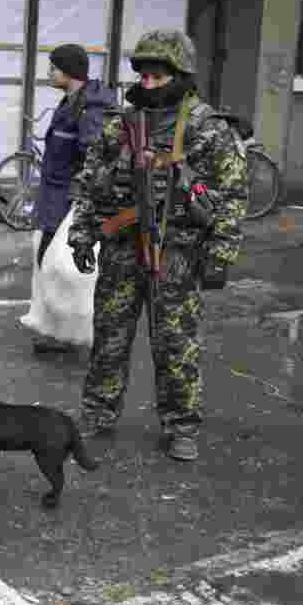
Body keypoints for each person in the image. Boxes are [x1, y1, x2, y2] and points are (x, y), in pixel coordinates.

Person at [67, 29, 248, 461]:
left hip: (179, 255)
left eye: (159, 76)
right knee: (109, 338)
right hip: (121, 250)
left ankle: (181, 425)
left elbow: (233, 194)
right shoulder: (120, 124)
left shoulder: (208, 128)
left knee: (175, 344)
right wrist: (82, 235)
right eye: (143, 76)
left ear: (180, 75)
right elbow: (90, 184)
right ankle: (98, 414)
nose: (148, 84)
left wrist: (221, 255)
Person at [22, 44, 115, 354]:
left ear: (70, 71)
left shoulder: (90, 109)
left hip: (68, 202)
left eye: (54, 67)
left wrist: (80, 201)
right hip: (53, 198)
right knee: (47, 261)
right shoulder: (71, 103)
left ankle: (76, 332)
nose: (49, 72)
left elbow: (95, 156)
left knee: (59, 266)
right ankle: (56, 332)